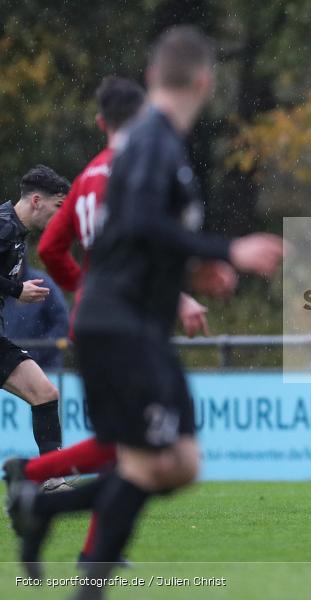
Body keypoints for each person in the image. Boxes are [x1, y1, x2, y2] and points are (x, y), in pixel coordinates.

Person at [5, 26, 284, 596]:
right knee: (156, 461)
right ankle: (56, 529)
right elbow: (138, 226)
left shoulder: (136, 151)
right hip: (123, 325)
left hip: (125, 321)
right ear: (205, 81)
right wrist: (225, 248)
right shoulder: (155, 143)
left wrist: (184, 270)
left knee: (170, 462)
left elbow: (113, 240)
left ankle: (42, 508)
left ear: (154, 76)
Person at [3, 76, 209, 568]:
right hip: (124, 327)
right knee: (146, 452)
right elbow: (144, 243)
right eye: (52, 205)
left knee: (71, 410)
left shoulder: (93, 176)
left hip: (104, 323)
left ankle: (44, 494)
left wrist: (84, 293)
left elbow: (61, 250)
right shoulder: (124, 172)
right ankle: (44, 495)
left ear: (101, 122)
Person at [0, 166, 68, 470]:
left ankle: (53, 480)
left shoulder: (16, 231)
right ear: (37, 201)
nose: (60, 216)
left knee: (45, 393)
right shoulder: (3, 226)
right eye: (58, 207)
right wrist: (17, 290)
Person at [2, 263, 69, 370]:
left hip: (46, 368)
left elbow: (62, 323)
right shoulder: (3, 290)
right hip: (8, 369)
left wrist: (38, 352)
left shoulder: (42, 283)